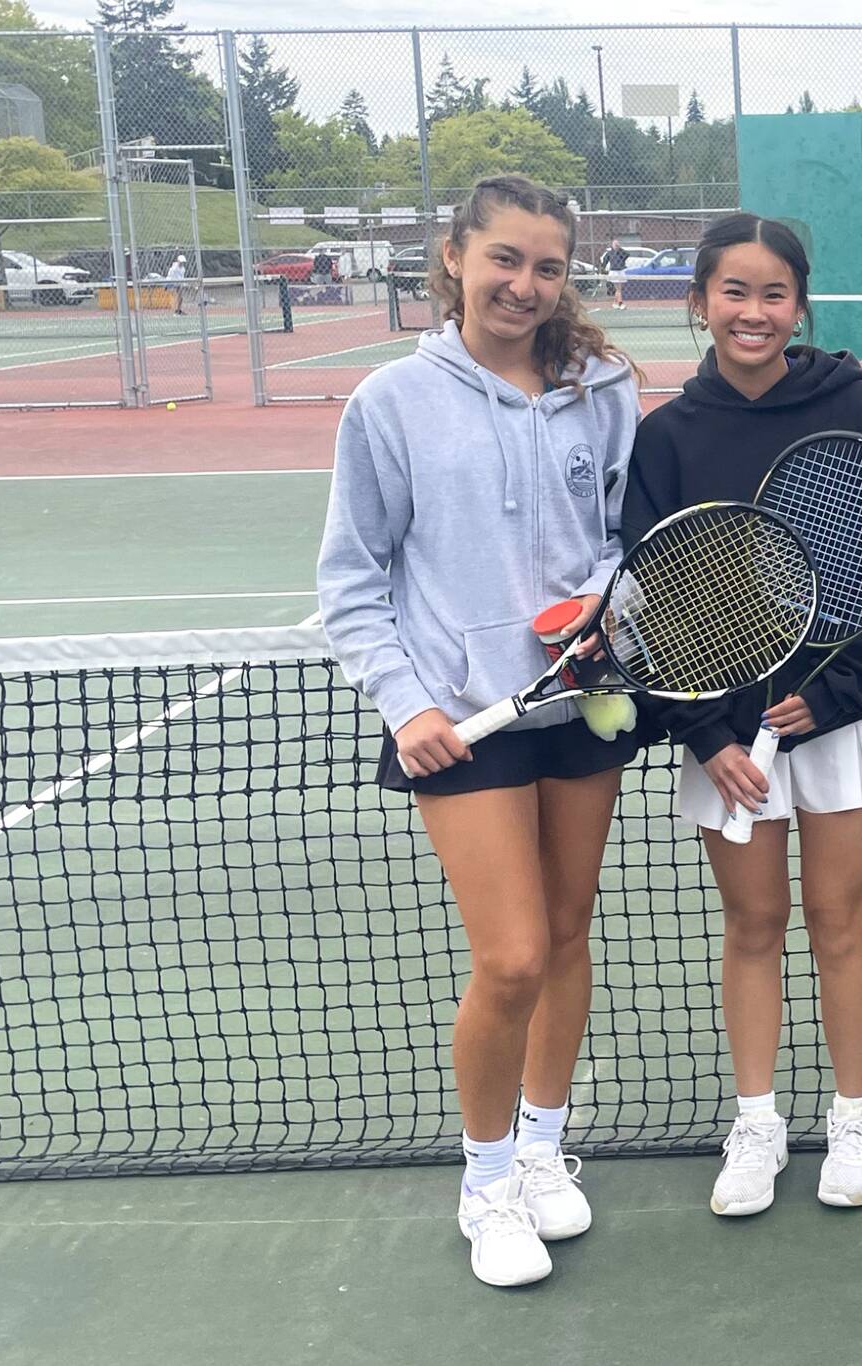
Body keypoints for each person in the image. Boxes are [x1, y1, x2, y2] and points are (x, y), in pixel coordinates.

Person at [317, 174, 644, 1288]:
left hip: (576, 702)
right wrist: (404, 703)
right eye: (505, 259)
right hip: (460, 720)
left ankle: (548, 1147)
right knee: (507, 957)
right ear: (453, 256)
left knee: (564, 936)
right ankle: (486, 1179)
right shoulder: (390, 404)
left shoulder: (601, 387)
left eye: (548, 267)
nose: (525, 285)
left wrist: (604, 615)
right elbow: (352, 580)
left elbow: (616, 540)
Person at [623, 212, 862, 1217]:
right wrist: (704, 735)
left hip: (841, 720)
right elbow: (647, 597)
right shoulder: (665, 435)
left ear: (800, 305)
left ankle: (851, 1115)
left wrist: (830, 696)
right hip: (724, 737)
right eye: (733, 293)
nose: (753, 313)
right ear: (699, 301)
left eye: (773, 294)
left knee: (839, 921)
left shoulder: (857, 407)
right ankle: (756, 1122)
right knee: (751, 923)